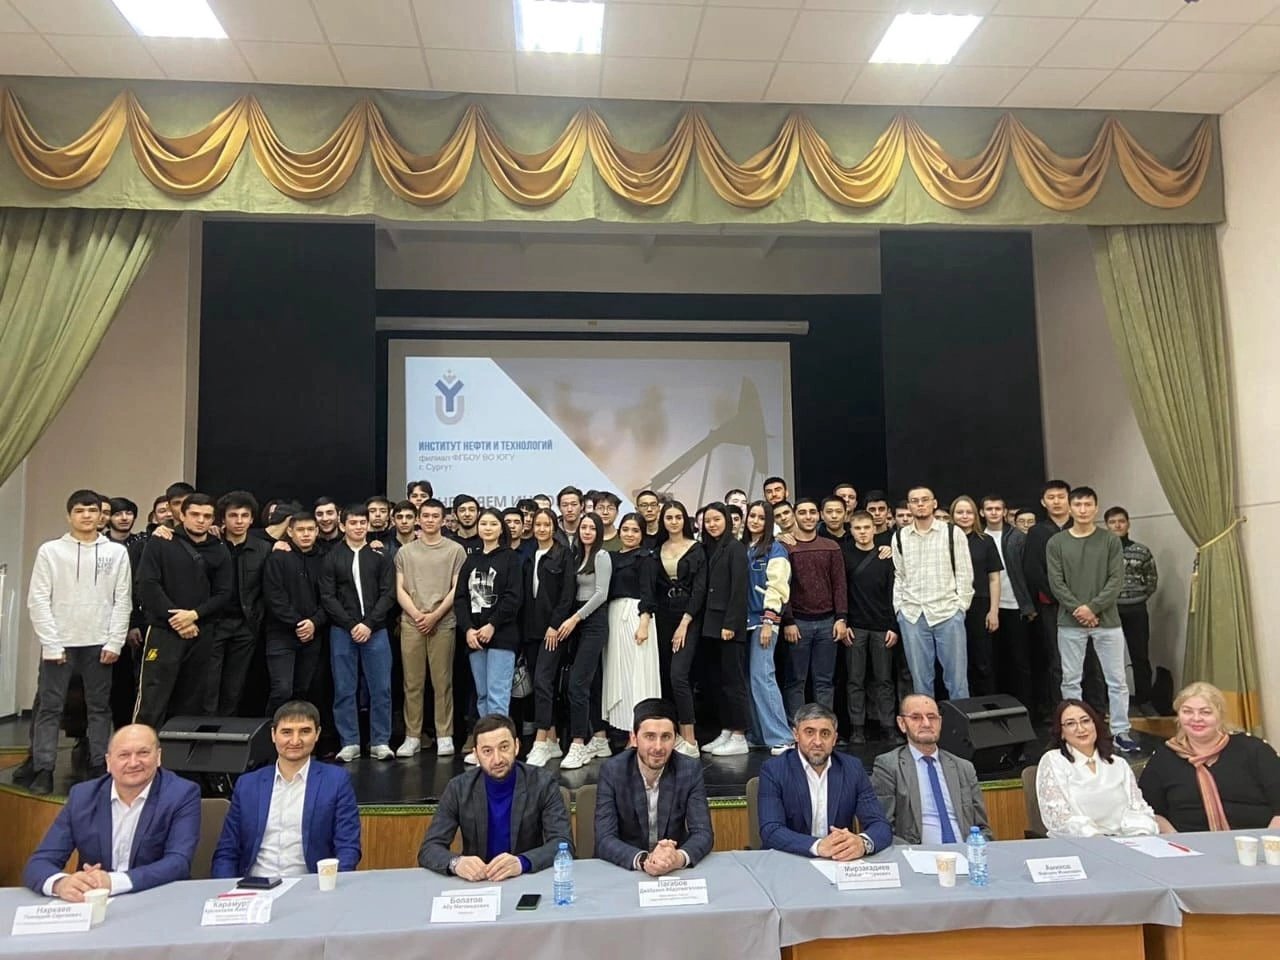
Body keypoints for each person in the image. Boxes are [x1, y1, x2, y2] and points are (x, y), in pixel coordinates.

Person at [24, 491, 132, 795]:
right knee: (49, 708)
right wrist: (51, 642)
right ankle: (43, 768)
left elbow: (122, 600)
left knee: (99, 708)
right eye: (80, 510)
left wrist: (115, 642)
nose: (86, 516)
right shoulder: (51, 551)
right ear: (69, 515)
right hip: (59, 642)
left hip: (99, 643)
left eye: (92, 511)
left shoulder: (116, 552)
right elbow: (38, 600)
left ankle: (99, 765)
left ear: (101, 516)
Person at [23, 724, 200, 899]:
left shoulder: (181, 794)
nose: (133, 763)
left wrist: (113, 882)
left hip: (156, 898)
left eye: (143, 753)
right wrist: (61, 884)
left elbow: (178, 863)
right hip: (95, 901)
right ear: (108, 762)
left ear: (158, 757)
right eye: (124, 755)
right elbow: (40, 862)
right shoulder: (83, 796)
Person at [211, 700, 362, 877]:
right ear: (273, 735)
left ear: (317, 734)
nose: (295, 740)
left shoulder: (336, 781)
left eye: (305, 731)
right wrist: (227, 889)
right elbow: (227, 851)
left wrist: (331, 885)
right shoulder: (248, 784)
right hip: (254, 886)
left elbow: (348, 847)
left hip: (312, 885)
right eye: (287, 732)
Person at [419, 714, 572, 878]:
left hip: (525, 878)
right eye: (487, 751)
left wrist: (522, 862)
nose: (497, 759)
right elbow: (429, 849)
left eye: (504, 747)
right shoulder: (458, 788)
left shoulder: (543, 783)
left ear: (517, 746)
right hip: (478, 882)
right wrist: (456, 863)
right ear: (476, 755)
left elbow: (563, 843)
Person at [1046, 486, 1139, 753]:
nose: (1083, 510)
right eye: (1078, 505)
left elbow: (1115, 580)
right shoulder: (1056, 543)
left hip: (1107, 621)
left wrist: (1093, 608)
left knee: (1117, 680)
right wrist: (1079, 609)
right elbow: (1056, 582)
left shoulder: (1110, 541)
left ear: (1096, 508)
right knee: (1071, 680)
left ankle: (1120, 731)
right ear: (1070, 508)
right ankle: (1073, 732)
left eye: (1088, 504)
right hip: (1070, 622)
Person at [133, 492, 233, 728]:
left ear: (213, 519)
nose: (201, 520)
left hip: (201, 630)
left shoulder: (219, 549)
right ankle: (142, 747)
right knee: (153, 697)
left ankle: (181, 751)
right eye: (195, 514)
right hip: (163, 631)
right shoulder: (161, 542)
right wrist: (177, 619)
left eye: (207, 516)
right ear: (183, 515)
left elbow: (224, 593)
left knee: (193, 699)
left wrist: (194, 615)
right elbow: (147, 584)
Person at [1139, 681, 1280, 833]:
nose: (1196, 718)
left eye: (1205, 712)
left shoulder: (1254, 750)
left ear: (1220, 715)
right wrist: (1176, 841)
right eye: (1187, 711)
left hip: (1256, 841)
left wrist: (1269, 841)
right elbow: (1150, 811)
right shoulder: (1164, 758)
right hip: (1188, 843)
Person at [594, 699, 714, 873]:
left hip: (672, 870)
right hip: (627, 869)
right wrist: (645, 860)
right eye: (650, 736)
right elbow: (604, 839)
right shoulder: (613, 770)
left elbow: (703, 833)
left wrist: (677, 858)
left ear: (675, 739)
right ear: (634, 738)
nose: (658, 747)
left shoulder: (689, 769)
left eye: (666, 737)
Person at [758, 703, 891, 859]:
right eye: (809, 732)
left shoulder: (852, 768)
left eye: (825, 734)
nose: (818, 741)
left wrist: (862, 843)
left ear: (834, 739)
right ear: (796, 735)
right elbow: (771, 830)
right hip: (789, 859)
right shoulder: (774, 770)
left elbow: (880, 825)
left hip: (838, 861)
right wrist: (818, 846)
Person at [319, 503, 397, 762]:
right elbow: (327, 596)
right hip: (343, 631)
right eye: (353, 523)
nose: (359, 527)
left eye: (363, 522)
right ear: (342, 526)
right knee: (344, 688)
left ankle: (380, 741)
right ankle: (349, 742)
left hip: (376, 630)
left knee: (381, 689)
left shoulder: (380, 555)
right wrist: (351, 625)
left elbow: (388, 593)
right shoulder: (331, 557)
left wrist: (369, 624)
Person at [395, 498, 466, 758]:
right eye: (425, 515)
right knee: (412, 683)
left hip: (443, 622)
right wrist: (417, 615)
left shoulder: (455, 550)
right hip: (411, 623)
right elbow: (399, 589)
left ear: (443, 519)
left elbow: (457, 589)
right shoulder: (405, 552)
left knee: (442, 682)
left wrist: (435, 616)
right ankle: (412, 736)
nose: (430, 520)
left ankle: (444, 735)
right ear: (418, 519)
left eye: (435, 516)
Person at [871, 695, 991, 844]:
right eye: (916, 717)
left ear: (940, 722)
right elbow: (883, 829)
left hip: (965, 852)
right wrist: (914, 855)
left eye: (932, 717)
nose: (926, 724)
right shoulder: (889, 766)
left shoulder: (963, 768)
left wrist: (977, 851)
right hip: (917, 854)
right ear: (902, 723)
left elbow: (982, 828)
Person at [891, 485, 973, 700]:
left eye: (925, 499)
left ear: (934, 503)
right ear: (909, 506)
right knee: (920, 682)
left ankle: (960, 721)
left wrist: (960, 607)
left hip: (947, 612)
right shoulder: (900, 536)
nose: (920, 504)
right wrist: (899, 608)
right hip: (912, 615)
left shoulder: (952, 533)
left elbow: (964, 573)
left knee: (957, 681)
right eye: (915, 501)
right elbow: (900, 575)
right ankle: (925, 721)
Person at [455, 508, 524, 764]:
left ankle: (500, 749)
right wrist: (468, 629)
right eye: (483, 523)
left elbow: (513, 597)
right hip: (474, 637)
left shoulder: (510, 558)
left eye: (493, 524)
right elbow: (460, 598)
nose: (487, 528)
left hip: (502, 636)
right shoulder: (471, 560)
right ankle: (484, 748)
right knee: (482, 695)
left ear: (500, 528)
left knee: (497, 695)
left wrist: (492, 625)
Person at [1036, 699, 1157, 838]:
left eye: (1085, 721)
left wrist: (1140, 837)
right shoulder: (1054, 760)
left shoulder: (1119, 764)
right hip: (1079, 843)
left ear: (1095, 724)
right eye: (1070, 724)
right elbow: (1060, 820)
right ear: (1061, 732)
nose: (1080, 729)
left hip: (1124, 841)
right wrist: (1100, 841)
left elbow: (1139, 809)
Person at [845, 510, 908, 745]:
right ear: (851, 530)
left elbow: (894, 592)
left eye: (866, 528)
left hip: (883, 627)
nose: (862, 532)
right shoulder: (844, 555)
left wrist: (893, 626)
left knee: (884, 680)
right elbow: (841, 591)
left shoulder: (886, 557)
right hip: (855, 627)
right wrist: (844, 622)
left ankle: (888, 727)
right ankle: (857, 728)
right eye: (857, 528)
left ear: (874, 529)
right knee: (855, 680)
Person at [781, 497, 848, 720]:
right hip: (798, 624)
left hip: (828, 623)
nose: (808, 517)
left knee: (824, 681)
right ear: (794, 516)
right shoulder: (785, 547)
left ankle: (824, 725)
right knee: (795, 681)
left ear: (818, 515)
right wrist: (788, 620)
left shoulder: (831, 547)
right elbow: (782, 586)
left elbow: (839, 584)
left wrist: (841, 618)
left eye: (812, 512)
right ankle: (797, 727)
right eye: (802, 512)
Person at [558, 513, 613, 770]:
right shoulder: (577, 555)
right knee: (592, 682)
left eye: (592, 527)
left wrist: (575, 618)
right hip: (578, 621)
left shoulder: (601, 555)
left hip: (593, 621)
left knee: (577, 684)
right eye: (584, 527)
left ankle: (578, 743)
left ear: (599, 531)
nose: (587, 531)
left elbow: (601, 594)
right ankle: (600, 738)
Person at [208, 490, 271, 716]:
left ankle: (226, 729)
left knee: (235, 685)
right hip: (214, 623)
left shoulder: (263, 549)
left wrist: (257, 618)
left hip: (245, 625)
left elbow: (267, 588)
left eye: (245, 516)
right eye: (233, 515)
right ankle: (206, 730)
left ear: (252, 519)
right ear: (223, 519)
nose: (239, 521)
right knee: (209, 683)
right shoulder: (211, 544)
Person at [652, 500, 706, 757]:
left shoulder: (696, 549)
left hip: (689, 618)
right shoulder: (657, 549)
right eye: (669, 517)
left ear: (685, 519)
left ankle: (690, 740)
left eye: (678, 517)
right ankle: (670, 735)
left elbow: (700, 589)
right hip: (663, 617)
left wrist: (685, 623)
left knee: (679, 675)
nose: (673, 522)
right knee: (664, 676)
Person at [262, 510, 328, 715]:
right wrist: (299, 623)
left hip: (313, 634)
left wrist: (314, 622)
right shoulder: (278, 557)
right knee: (282, 690)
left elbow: (330, 597)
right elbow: (274, 596)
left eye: (310, 529)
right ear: (290, 532)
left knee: (303, 691)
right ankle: (271, 730)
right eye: (300, 530)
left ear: (317, 531)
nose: (306, 534)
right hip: (281, 634)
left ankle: (299, 732)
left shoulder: (325, 559)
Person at [526, 508, 578, 767]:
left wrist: (554, 625)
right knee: (540, 684)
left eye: (546, 524)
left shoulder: (563, 554)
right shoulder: (529, 553)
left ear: (554, 527)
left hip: (552, 631)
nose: (542, 529)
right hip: (530, 630)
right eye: (538, 524)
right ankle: (553, 740)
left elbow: (567, 595)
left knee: (544, 682)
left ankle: (540, 742)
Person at [699, 503, 750, 757]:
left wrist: (730, 624)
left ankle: (739, 734)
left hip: (729, 626)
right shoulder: (708, 548)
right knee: (719, 682)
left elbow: (739, 588)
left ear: (727, 521)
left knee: (734, 681)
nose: (712, 524)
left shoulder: (735, 548)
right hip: (710, 625)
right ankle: (727, 730)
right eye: (708, 520)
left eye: (717, 519)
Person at [602, 513, 661, 733]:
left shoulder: (646, 558)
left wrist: (644, 623)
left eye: (635, 530)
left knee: (636, 674)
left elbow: (648, 592)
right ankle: (621, 728)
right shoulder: (611, 557)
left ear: (642, 534)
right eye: (626, 529)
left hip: (635, 617)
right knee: (617, 673)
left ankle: (638, 729)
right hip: (613, 616)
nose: (630, 534)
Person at [742, 500, 792, 755]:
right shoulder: (741, 547)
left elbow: (778, 586)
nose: (755, 521)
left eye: (761, 518)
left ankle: (781, 736)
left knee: (763, 677)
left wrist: (769, 621)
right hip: (742, 623)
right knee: (749, 680)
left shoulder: (775, 549)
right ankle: (759, 735)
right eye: (752, 516)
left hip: (764, 621)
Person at [979, 496, 1035, 709]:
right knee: (993, 662)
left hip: (1015, 606)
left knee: (1020, 662)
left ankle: (1024, 710)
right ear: (982, 512)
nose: (993, 512)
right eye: (989, 509)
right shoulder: (978, 537)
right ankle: (998, 710)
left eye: (997, 508)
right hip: (988, 608)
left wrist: (1029, 605)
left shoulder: (1018, 536)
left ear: (1004, 512)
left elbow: (1028, 572)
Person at [1023, 480, 1072, 715]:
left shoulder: (1081, 527)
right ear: (1043, 502)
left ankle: (1094, 709)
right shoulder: (1038, 532)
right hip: (1052, 605)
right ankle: (1061, 711)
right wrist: (1061, 597)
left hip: (1085, 607)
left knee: (1089, 661)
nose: (1056, 501)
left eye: (1061, 496)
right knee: (1057, 659)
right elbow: (1033, 570)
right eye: (1051, 497)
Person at [1104, 506, 1159, 717]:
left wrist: (1139, 597)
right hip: (1110, 610)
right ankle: (1112, 701)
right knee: (1110, 658)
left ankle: (1145, 700)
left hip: (1136, 609)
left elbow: (1151, 580)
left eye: (1121, 521)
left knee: (1140, 656)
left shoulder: (1141, 551)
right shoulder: (1100, 552)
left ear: (1128, 524)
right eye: (1112, 522)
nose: (1117, 525)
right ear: (1106, 526)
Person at [951, 495, 1002, 697]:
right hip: (950, 605)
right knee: (955, 661)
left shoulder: (985, 541)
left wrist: (994, 611)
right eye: (959, 512)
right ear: (952, 515)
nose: (964, 516)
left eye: (969, 512)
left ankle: (986, 706)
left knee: (982, 660)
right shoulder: (945, 541)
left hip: (980, 604)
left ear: (976, 515)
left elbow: (994, 579)